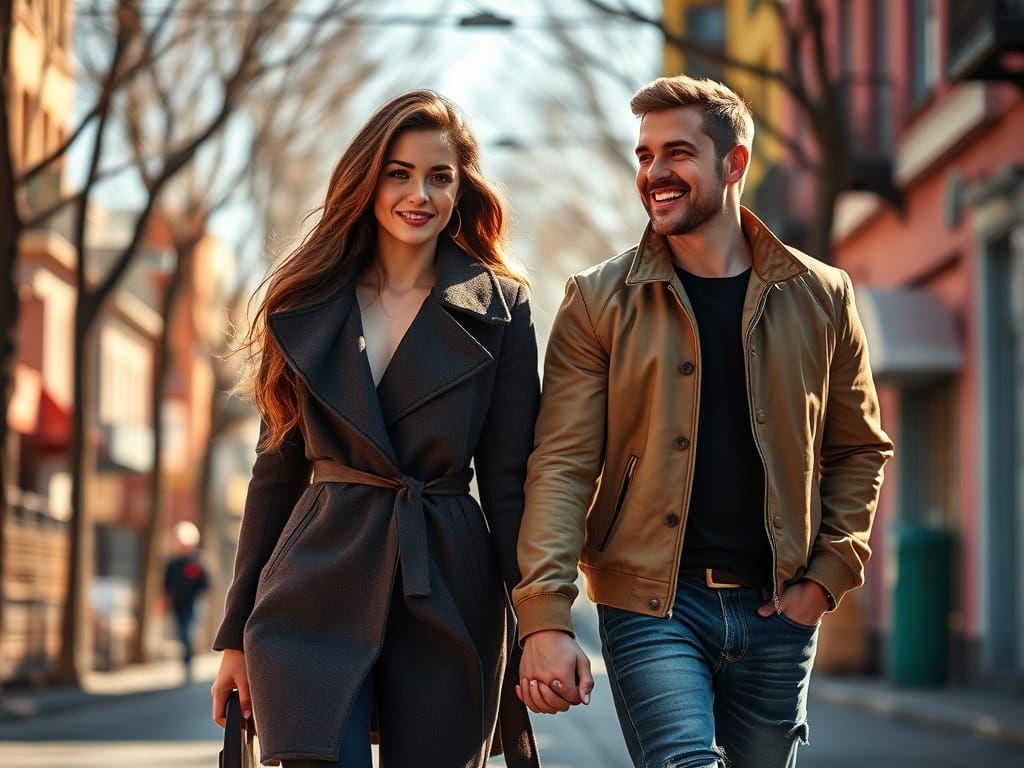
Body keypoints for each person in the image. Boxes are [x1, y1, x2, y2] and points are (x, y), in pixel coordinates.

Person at [512, 75, 894, 768]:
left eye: (677, 153)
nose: (654, 172)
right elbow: (561, 464)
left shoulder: (823, 296)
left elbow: (859, 448)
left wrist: (826, 577)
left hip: (780, 611)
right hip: (650, 607)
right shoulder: (598, 301)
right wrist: (544, 615)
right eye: (644, 155)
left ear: (735, 163)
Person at [210, 90, 540, 768]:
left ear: (460, 190)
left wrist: (541, 624)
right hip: (314, 586)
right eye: (399, 172)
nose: (418, 193)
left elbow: (509, 484)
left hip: (448, 583)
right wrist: (235, 636)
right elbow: (274, 475)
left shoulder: (502, 308)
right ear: (368, 179)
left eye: (439, 176)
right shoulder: (304, 303)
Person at [164, 520, 209, 680]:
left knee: (187, 632)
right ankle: (186, 660)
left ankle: (188, 661)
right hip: (177, 603)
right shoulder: (173, 562)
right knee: (181, 633)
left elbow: (206, 583)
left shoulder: (196, 561)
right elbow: (166, 583)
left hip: (192, 603)